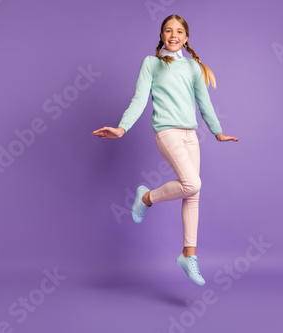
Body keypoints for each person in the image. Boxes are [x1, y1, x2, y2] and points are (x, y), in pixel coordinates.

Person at [91, 14, 238, 286]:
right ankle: (146, 198)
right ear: (161, 36)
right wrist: (121, 128)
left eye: (178, 31)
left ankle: (188, 255)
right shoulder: (152, 63)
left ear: (186, 37)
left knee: (193, 193)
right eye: (168, 31)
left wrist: (217, 132)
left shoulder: (194, 68)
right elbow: (139, 99)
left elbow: (204, 103)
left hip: (190, 135)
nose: (173, 35)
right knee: (192, 183)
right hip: (166, 132)